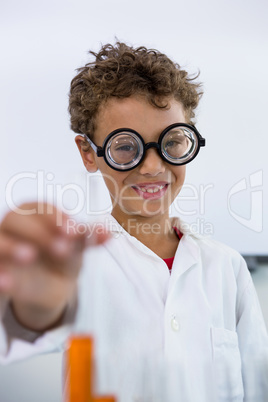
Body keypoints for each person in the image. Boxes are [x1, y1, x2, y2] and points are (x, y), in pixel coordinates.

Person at [0, 41, 267, 401]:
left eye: (172, 142)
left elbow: (257, 384)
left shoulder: (227, 268)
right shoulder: (75, 268)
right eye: (126, 146)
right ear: (88, 153)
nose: (153, 167)